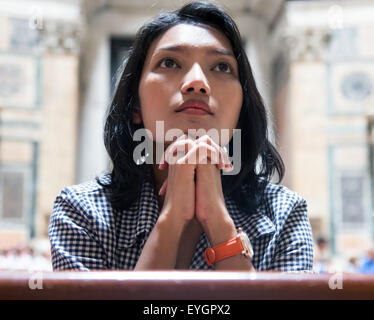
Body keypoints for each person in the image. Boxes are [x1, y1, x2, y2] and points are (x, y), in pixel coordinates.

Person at [48, 1, 314, 271]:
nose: (197, 82)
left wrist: (220, 224)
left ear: (240, 109)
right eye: (170, 62)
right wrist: (171, 220)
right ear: (135, 106)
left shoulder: (285, 214)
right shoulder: (81, 211)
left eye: (222, 67)